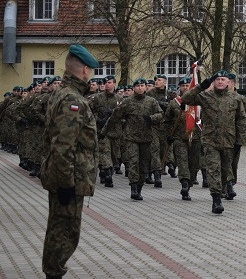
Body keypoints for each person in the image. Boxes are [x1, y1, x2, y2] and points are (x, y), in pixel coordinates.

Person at [40, 44, 99, 279]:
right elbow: (64, 146)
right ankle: (53, 273)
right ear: (84, 69)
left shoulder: (63, 93)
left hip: (68, 176)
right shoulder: (71, 100)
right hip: (69, 179)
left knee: (60, 227)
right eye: (91, 70)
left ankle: (53, 272)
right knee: (65, 231)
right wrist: (66, 183)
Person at [181, 70, 245, 213]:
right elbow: (185, 99)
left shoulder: (236, 98)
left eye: (223, 79)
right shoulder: (205, 96)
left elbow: (241, 120)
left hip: (229, 141)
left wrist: (239, 140)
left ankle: (221, 190)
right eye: (217, 80)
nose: (220, 82)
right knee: (213, 170)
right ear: (213, 82)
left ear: (228, 82)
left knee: (224, 171)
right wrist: (200, 87)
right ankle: (216, 200)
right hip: (210, 141)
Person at [102, 78, 163, 201]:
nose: (140, 88)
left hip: (146, 138)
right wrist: (104, 131)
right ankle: (133, 188)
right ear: (134, 88)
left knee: (143, 165)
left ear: (145, 87)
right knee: (133, 162)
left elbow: (161, 115)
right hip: (131, 138)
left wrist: (151, 118)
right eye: (137, 86)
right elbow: (115, 117)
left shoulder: (151, 102)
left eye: (142, 85)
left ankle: (139, 186)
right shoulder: (127, 102)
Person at [89, 75, 122, 188]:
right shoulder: (97, 98)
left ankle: (108, 170)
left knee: (114, 155)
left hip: (115, 132)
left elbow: (124, 116)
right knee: (105, 152)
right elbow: (89, 112)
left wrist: (114, 116)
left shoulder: (119, 99)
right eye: (105, 83)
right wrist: (99, 120)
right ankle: (108, 174)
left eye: (109, 82)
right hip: (102, 131)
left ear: (114, 84)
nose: (106, 84)